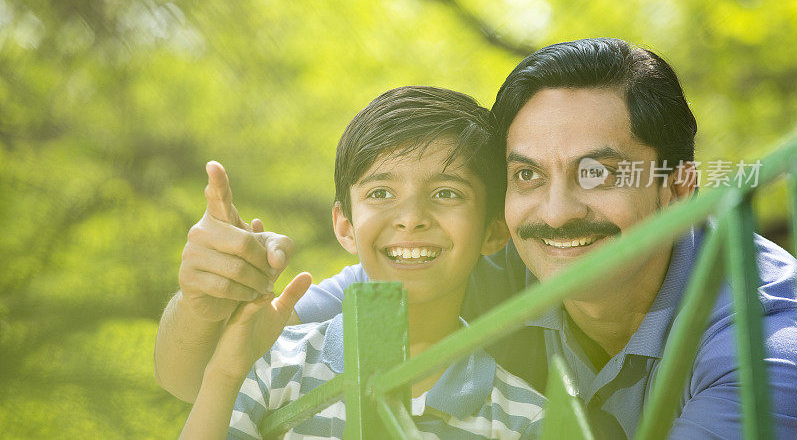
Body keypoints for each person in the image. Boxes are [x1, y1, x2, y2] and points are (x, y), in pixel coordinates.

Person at [156, 38, 797, 438]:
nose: (556, 212)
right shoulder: (486, 255)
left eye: (597, 173)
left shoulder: (764, 348)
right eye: (526, 175)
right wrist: (206, 300)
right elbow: (198, 374)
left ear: (679, 188)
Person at [177, 86, 546, 439]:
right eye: (381, 193)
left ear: (494, 232)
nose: (411, 217)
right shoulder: (274, 365)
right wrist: (225, 372)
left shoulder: (523, 419)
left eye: (446, 193)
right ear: (345, 226)